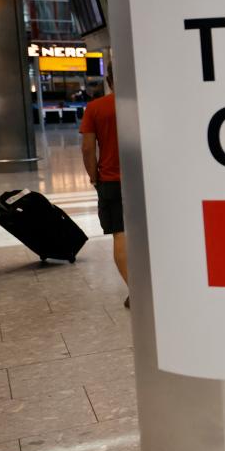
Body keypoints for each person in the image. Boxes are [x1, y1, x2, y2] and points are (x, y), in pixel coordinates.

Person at [80, 70, 129, 307]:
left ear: (109, 81)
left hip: (111, 180)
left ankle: (137, 290)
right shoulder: (146, 104)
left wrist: (94, 176)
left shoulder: (96, 107)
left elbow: (88, 147)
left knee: (120, 233)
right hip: (145, 180)